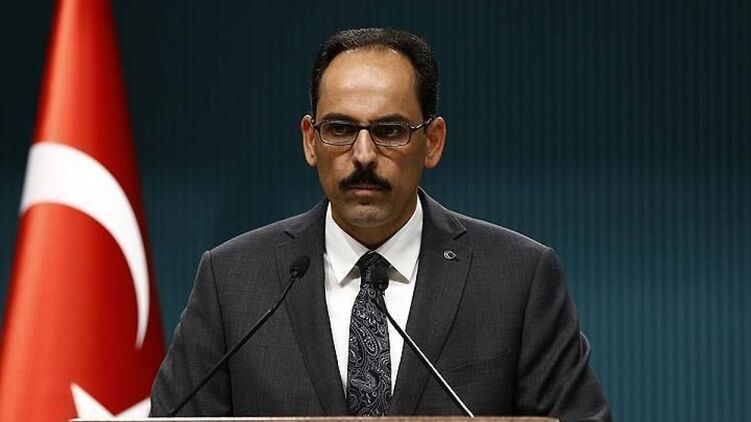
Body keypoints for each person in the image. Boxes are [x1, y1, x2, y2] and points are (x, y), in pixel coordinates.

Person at [150, 28, 611, 421]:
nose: (364, 155)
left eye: (389, 131)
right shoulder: (232, 281)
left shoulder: (517, 279)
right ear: (310, 140)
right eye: (340, 129)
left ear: (432, 141)